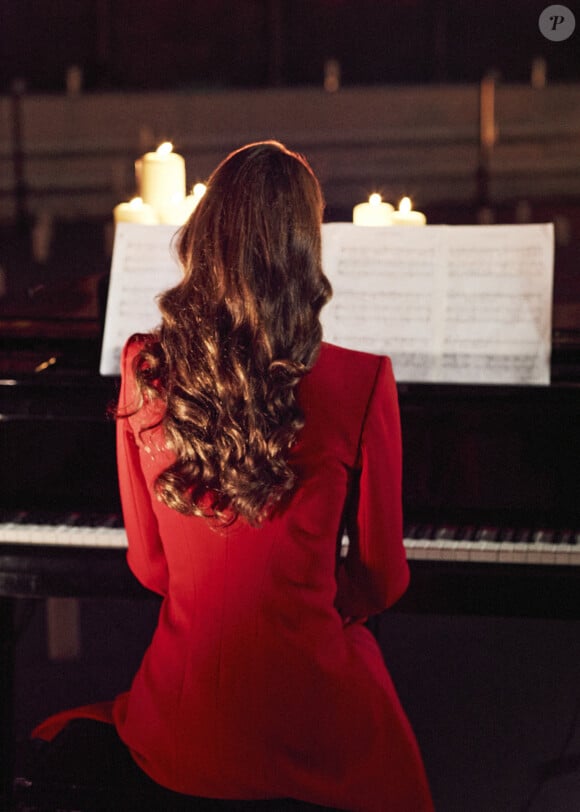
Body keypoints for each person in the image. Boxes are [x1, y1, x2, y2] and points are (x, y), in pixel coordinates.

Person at [29, 141, 433, 811]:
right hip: (307, 716)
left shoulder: (143, 366)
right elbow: (383, 581)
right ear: (307, 251)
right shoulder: (363, 381)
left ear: (202, 235)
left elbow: (151, 570)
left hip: (184, 725)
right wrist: (304, 604)